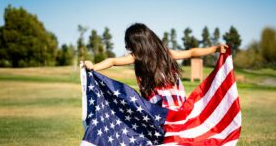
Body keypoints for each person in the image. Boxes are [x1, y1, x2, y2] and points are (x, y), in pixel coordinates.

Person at [84, 23, 227, 111]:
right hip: (170, 106)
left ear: (137, 43)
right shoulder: (158, 54)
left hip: (164, 106)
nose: (127, 47)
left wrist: (215, 48)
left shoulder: (149, 55)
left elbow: (112, 61)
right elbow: (112, 61)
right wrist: (93, 67)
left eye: (129, 43)